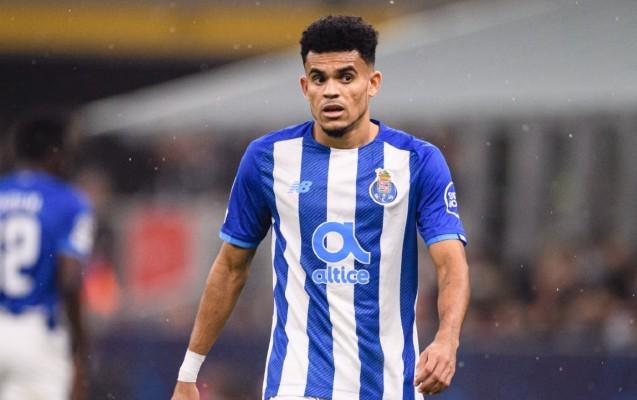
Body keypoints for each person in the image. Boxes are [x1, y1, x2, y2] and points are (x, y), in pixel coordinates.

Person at [172, 15, 470, 400]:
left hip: (389, 386)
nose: (331, 91)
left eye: (346, 77)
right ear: (305, 86)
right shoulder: (268, 158)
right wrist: (189, 371)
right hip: (298, 384)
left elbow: (451, 263)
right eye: (319, 78)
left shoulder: (416, 161)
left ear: (372, 83)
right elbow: (231, 267)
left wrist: (447, 339)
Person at [0, 113, 94, 400]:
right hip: (35, 335)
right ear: (56, 154)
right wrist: (79, 350)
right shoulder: (68, 202)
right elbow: (69, 278)